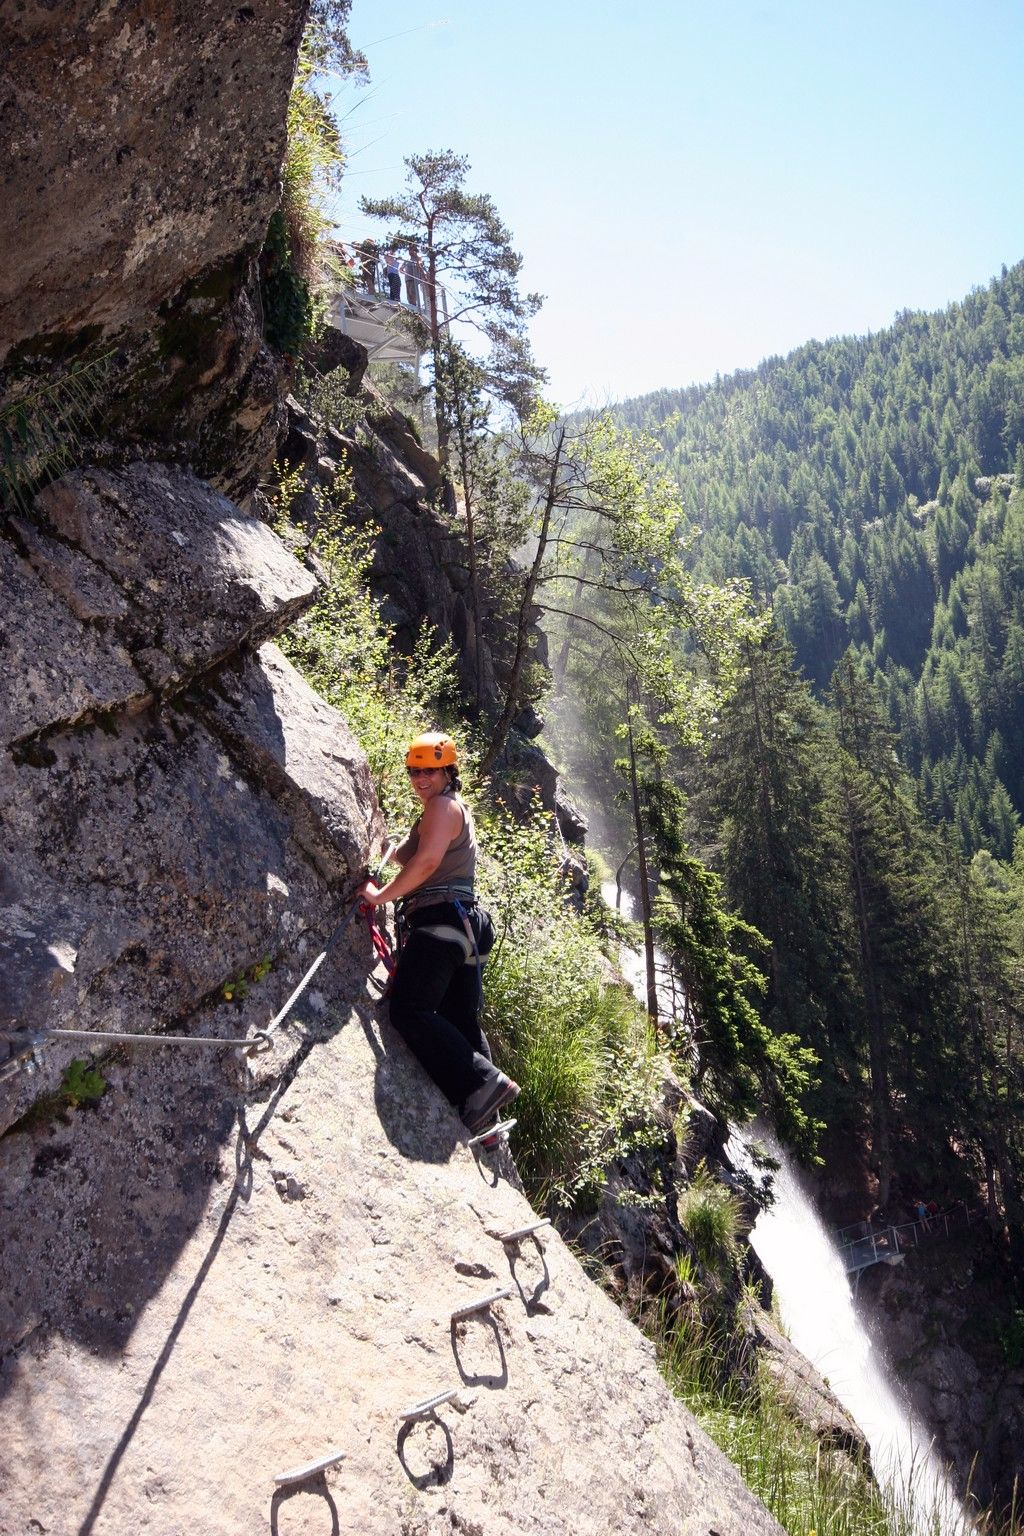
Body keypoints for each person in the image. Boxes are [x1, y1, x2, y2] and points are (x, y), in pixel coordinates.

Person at [357, 732, 519, 1134]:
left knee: (409, 1010)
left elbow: (426, 864)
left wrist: (379, 897)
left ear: (448, 770)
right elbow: (413, 853)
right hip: (467, 925)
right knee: (459, 1017)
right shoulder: (445, 810)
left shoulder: (443, 808)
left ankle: (485, 1084)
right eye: (414, 771)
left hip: (442, 920)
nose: (420, 778)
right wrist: (388, 850)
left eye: (429, 770)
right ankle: (486, 1118)